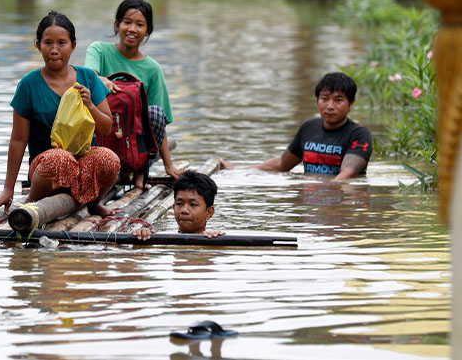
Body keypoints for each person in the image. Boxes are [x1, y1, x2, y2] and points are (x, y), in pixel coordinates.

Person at [0, 11, 121, 218]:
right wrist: (8, 189)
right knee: (61, 159)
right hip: (47, 167)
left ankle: (93, 203)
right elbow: (18, 139)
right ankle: (33, 202)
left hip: (83, 163)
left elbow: (106, 127)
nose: (54, 50)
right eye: (48, 43)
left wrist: (90, 106)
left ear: (73, 46)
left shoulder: (88, 78)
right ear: (37, 45)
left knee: (109, 159)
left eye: (62, 43)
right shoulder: (29, 85)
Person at [85, 0, 184, 188]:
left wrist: (168, 165)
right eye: (127, 22)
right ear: (117, 25)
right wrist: (101, 79)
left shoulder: (152, 69)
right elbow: (88, 77)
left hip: (132, 145)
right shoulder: (99, 51)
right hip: (100, 135)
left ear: (148, 31)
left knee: (154, 113)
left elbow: (158, 123)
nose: (132, 29)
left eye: (140, 24)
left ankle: (140, 173)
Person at [222, 72, 373, 180]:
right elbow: (282, 164)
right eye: (324, 99)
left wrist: (328, 196)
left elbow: (347, 175)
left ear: (351, 104)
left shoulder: (359, 135)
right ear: (317, 101)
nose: (330, 106)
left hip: (340, 200)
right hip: (312, 201)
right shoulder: (309, 127)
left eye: (338, 100)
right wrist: (237, 171)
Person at [132, 170, 225, 240]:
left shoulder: (216, 239)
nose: (184, 210)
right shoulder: (158, 238)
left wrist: (218, 241)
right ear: (173, 207)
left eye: (193, 204)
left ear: (209, 212)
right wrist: (142, 238)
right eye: (179, 204)